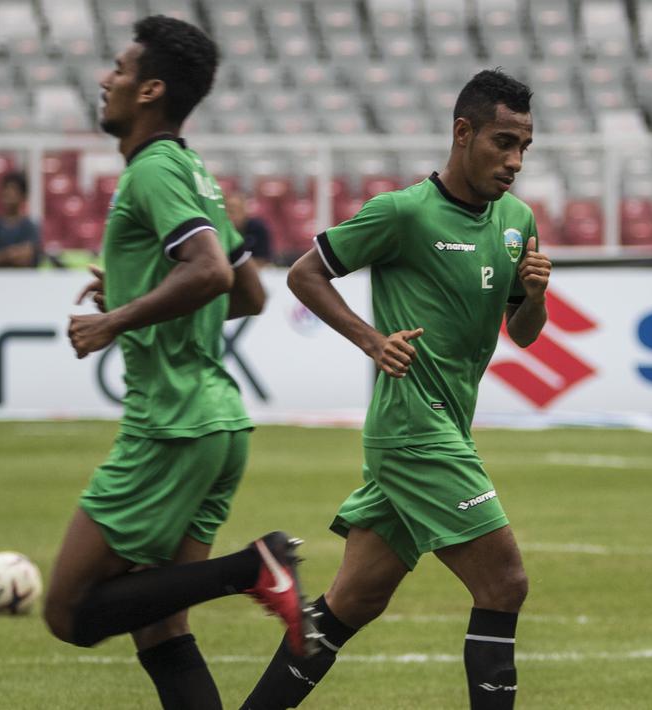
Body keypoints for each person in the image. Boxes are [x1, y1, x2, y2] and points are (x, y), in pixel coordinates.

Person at [243, 69, 550, 710]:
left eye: (525, 146)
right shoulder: (405, 213)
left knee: (352, 601)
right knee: (505, 583)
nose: (515, 161)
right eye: (502, 142)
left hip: (439, 428)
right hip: (415, 430)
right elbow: (305, 275)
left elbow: (523, 332)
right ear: (462, 133)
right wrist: (368, 338)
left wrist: (537, 294)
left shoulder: (518, 220)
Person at [43, 16, 317, 709]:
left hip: (170, 426)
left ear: (150, 90)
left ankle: (252, 568)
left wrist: (115, 318)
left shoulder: (154, 172)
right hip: (218, 425)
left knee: (69, 615)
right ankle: (250, 570)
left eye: (119, 69)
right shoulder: (193, 171)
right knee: (160, 629)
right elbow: (249, 289)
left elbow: (210, 277)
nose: (106, 79)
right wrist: (136, 289)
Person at [0, 171, 40, 267]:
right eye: (6, 189)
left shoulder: (29, 226)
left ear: (23, 195)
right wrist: (12, 254)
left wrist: (0, 256)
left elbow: (26, 257)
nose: (9, 193)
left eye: (14, 190)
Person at [225, 191, 274, 265]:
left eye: (232, 211)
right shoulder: (219, 229)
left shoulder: (257, 228)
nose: (228, 215)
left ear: (244, 211)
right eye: (226, 211)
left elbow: (262, 259)